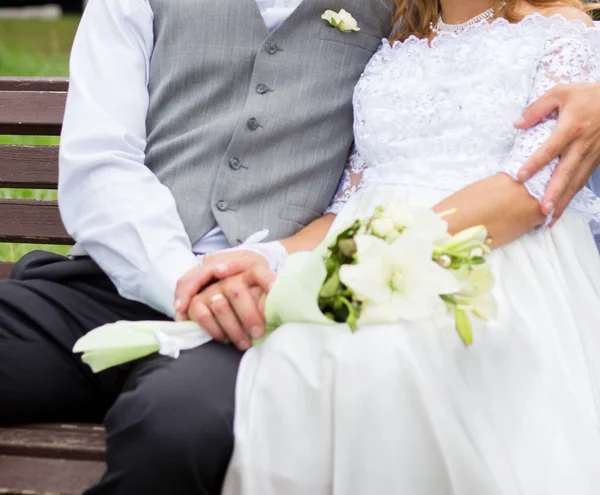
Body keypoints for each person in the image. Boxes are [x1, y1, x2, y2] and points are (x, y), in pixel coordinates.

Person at [0, 1, 598, 495]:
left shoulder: (388, 12)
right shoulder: (409, 27)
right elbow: (100, 161)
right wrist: (191, 278)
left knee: (176, 427)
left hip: (282, 304)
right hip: (122, 278)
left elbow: (536, 158)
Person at [177, 1, 600, 493]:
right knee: (294, 354)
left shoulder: (558, 31)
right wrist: (270, 258)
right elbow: (351, 200)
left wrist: (384, 254)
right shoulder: (393, 35)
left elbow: (532, 191)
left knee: (381, 358)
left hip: (485, 256)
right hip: (361, 256)